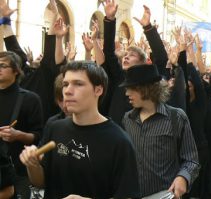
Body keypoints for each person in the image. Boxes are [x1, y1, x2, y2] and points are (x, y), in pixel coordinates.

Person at [20, 61, 140, 199]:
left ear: (98, 90)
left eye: (78, 84)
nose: (68, 91)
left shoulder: (119, 141)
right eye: (65, 84)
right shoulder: (55, 128)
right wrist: (32, 165)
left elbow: (127, 195)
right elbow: (40, 183)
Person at [121, 64, 199, 198]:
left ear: (148, 88)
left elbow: (191, 160)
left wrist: (183, 177)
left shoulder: (177, 117)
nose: (127, 93)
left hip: (165, 195)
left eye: (132, 88)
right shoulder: (127, 119)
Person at [0, 51, 44, 198]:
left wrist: (18, 135)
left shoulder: (30, 99)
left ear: (16, 70)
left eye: (2, 65)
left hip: (18, 171)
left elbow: (38, 136)